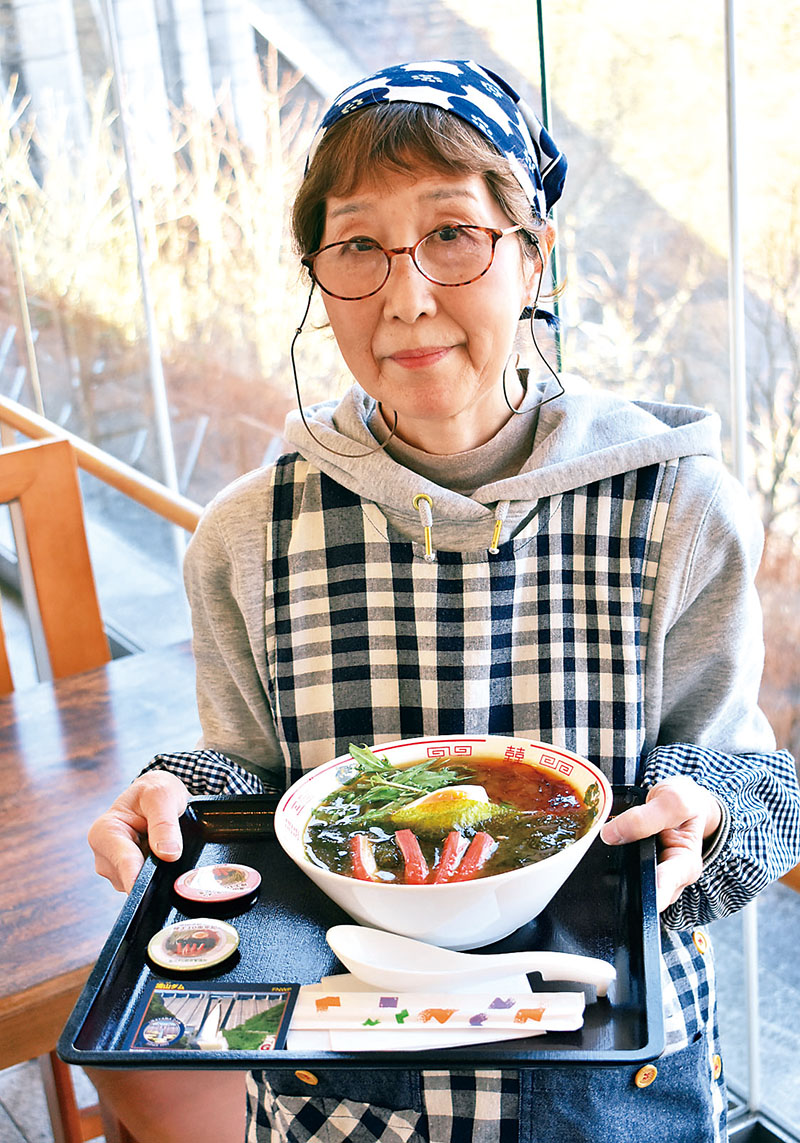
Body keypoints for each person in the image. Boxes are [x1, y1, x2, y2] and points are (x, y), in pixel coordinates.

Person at [88, 59, 800, 1143]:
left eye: (453, 234)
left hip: (603, 1070)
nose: (405, 294)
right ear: (319, 279)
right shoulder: (246, 531)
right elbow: (249, 783)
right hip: (338, 1073)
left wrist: (707, 812)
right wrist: (173, 799)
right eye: (357, 245)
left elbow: (750, 781)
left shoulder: (674, 504)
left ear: (531, 256)